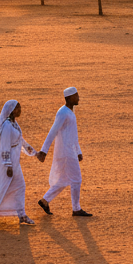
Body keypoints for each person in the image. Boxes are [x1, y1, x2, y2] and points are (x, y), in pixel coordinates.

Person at [37, 86, 92, 217]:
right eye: (76, 95)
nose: (78, 98)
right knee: (77, 179)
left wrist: (78, 151)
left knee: (63, 180)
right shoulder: (63, 113)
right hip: (66, 153)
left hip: (70, 151)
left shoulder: (70, 113)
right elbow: (53, 131)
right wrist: (43, 150)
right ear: (69, 98)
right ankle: (76, 209)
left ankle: (45, 200)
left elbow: (73, 135)